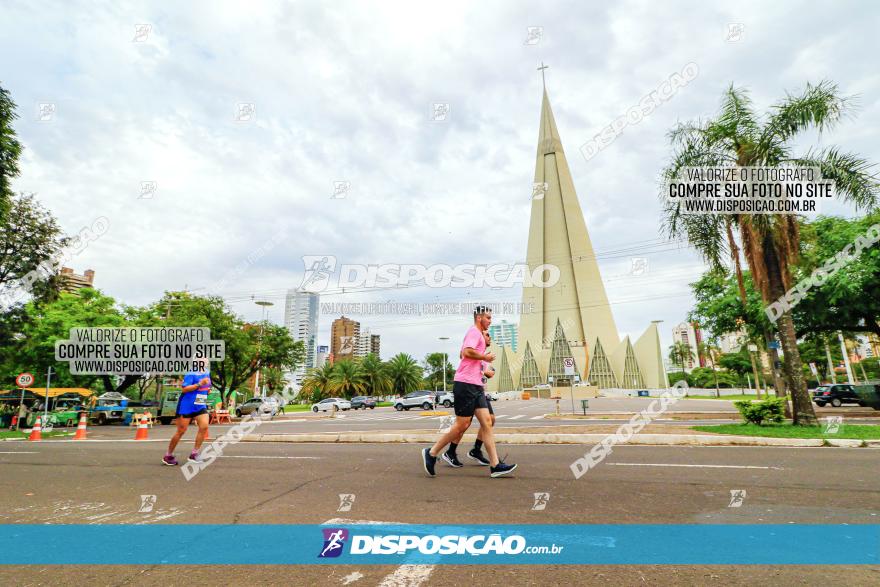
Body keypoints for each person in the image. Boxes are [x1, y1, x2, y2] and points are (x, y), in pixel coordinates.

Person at [421, 306, 516, 478]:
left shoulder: (478, 336)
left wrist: (483, 363)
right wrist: (484, 357)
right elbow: (465, 352)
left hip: (476, 386)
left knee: (487, 422)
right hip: (465, 385)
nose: (490, 321)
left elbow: (465, 353)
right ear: (479, 318)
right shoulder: (474, 332)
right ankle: (432, 452)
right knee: (461, 425)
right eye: (488, 317)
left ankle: (495, 465)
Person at [443, 330, 497, 467]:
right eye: (487, 334)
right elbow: (464, 355)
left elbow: (484, 371)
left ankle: (477, 450)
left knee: (490, 419)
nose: (490, 337)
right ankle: (444, 452)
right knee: (463, 424)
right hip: (467, 388)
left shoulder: (483, 354)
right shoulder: (473, 346)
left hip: (478, 390)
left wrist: (487, 371)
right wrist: (484, 370)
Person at [162, 358, 211, 466]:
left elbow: (207, 386)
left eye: (205, 360)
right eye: (201, 360)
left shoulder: (207, 373)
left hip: (199, 404)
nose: (204, 362)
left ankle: (194, 454)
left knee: (204, 426)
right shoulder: (190, 373)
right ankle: (168, 455)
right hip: (186, 405)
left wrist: (208, 390)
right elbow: (184, 389)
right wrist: (199, 384)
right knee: (181, 431)